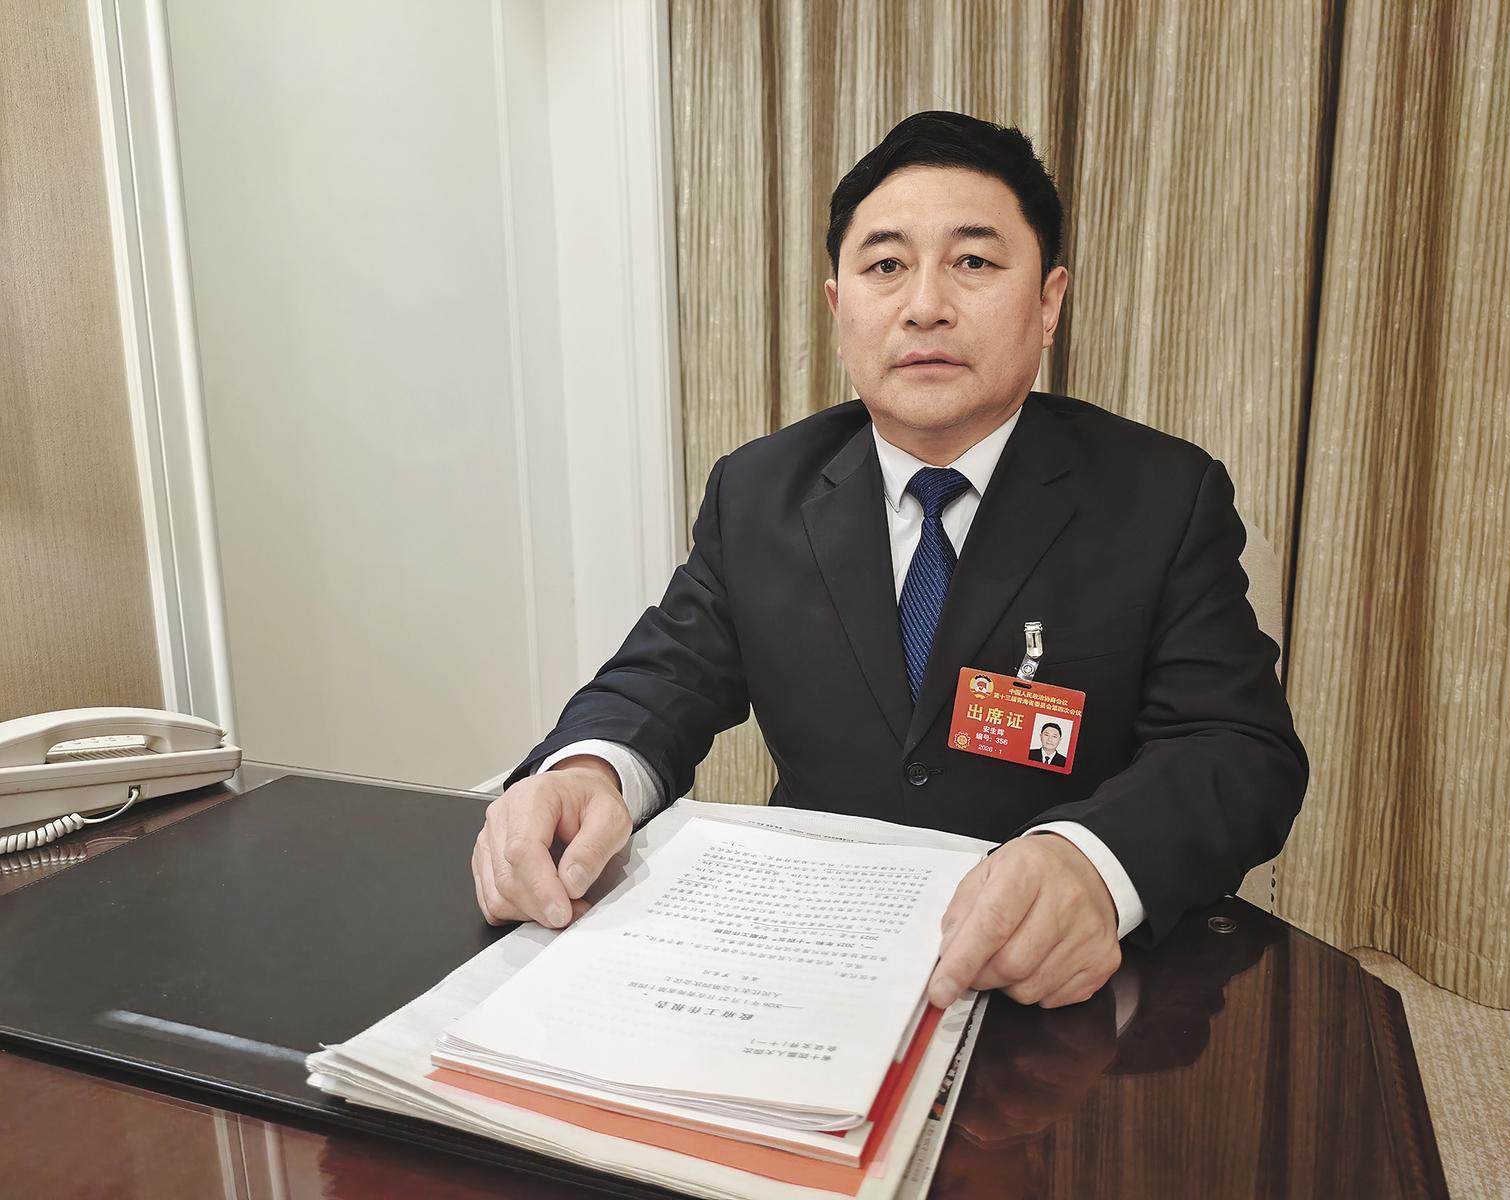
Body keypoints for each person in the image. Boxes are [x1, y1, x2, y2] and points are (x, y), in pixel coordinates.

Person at [472, 111, 1308, 1012]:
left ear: (1049, 302)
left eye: (974, 262)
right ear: (840, 308)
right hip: (806, 967)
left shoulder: (1161, 495)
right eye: (885, 266)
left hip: (1054, 980)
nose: (925, 306)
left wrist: (1094, 864)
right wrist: (585, 773)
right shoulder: (759, 490)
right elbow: (662, 677)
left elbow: (1238, 747)